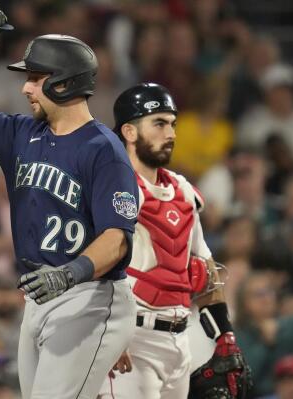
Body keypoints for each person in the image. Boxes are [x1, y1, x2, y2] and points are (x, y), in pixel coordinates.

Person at [0, 5, 139, 398]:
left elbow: (117, 238)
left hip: (89, 295)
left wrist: (68, 274)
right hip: (39, 295)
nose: (25, 87)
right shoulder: (21, 133)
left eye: (34, 78)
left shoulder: (103, 150)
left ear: (62, 83)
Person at [98, 83, 251, 399]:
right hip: (131, 339)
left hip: (179, 339)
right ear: (128, 131)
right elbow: (95, 267)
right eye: (159, 123)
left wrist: (224, 334)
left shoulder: (182, 191)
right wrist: (106, 335)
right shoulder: (113, 188)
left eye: (172, 124)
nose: (171, 133)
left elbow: (205, 268)